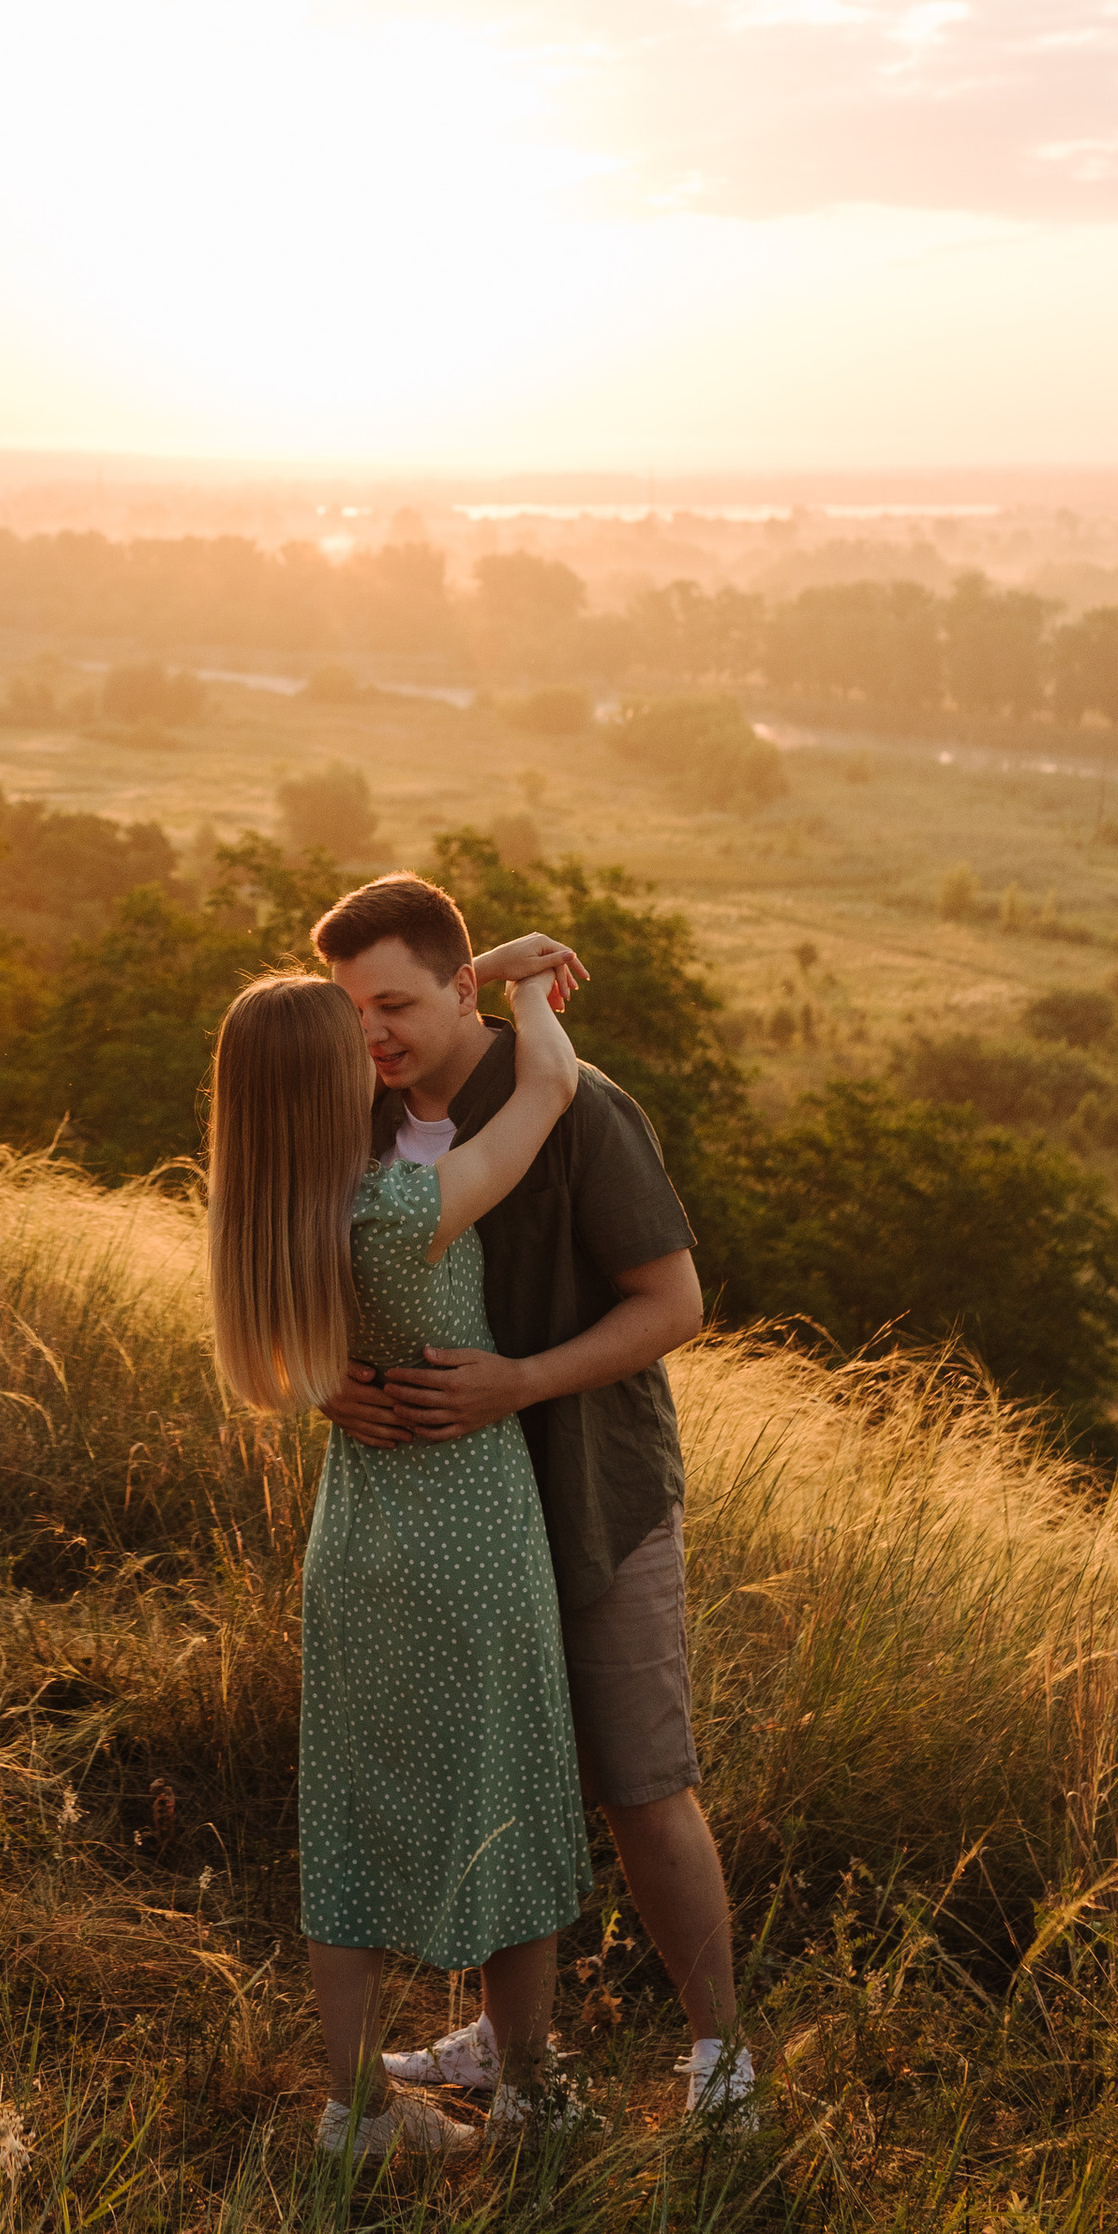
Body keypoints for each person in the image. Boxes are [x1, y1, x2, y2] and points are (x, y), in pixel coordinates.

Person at [312, 872, 756, 2126]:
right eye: (350, 1012)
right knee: (486, 1774)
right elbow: (290, 1279)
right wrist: (320, 1388)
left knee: (640, 1783)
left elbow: (673, 1306)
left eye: (393, 1004)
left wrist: (519, 1384)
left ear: (460, 989)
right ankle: (507, 2052)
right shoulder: (355, 1108)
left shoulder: (570, 1102)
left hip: (586, 1494)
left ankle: (721, 2068)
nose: (372, 1036)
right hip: (438, 1514)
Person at [205, 963, 587, 2168]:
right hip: (466, 1530)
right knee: (510, 1793)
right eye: (350, 1035)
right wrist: (527, 992)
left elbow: (295, 1365)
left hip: (357, 1542)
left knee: (353, 1815)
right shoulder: (402, 1206)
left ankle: (354, 2113)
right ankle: (527, 2092)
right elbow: (550, 1089)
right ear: (329, 1082)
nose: (375, 1040)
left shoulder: (270, 1217)